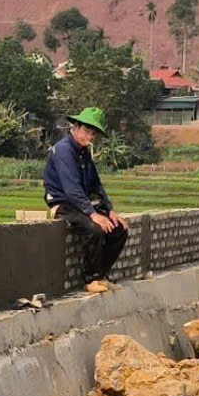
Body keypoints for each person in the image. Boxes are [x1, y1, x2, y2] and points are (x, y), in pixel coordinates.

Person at [43, 107, 128, 293]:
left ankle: (101, 275)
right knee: (95, 229)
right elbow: (71, 190)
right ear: (76, 127)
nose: (89, 138)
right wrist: (93, 214)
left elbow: (96, 185)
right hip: (63, 203)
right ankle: (90, 279)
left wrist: (110, 210)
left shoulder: (84, 153)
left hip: (82, 203)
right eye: (87, 132)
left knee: (118, 229)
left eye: (93, 135)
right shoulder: (64, 150)